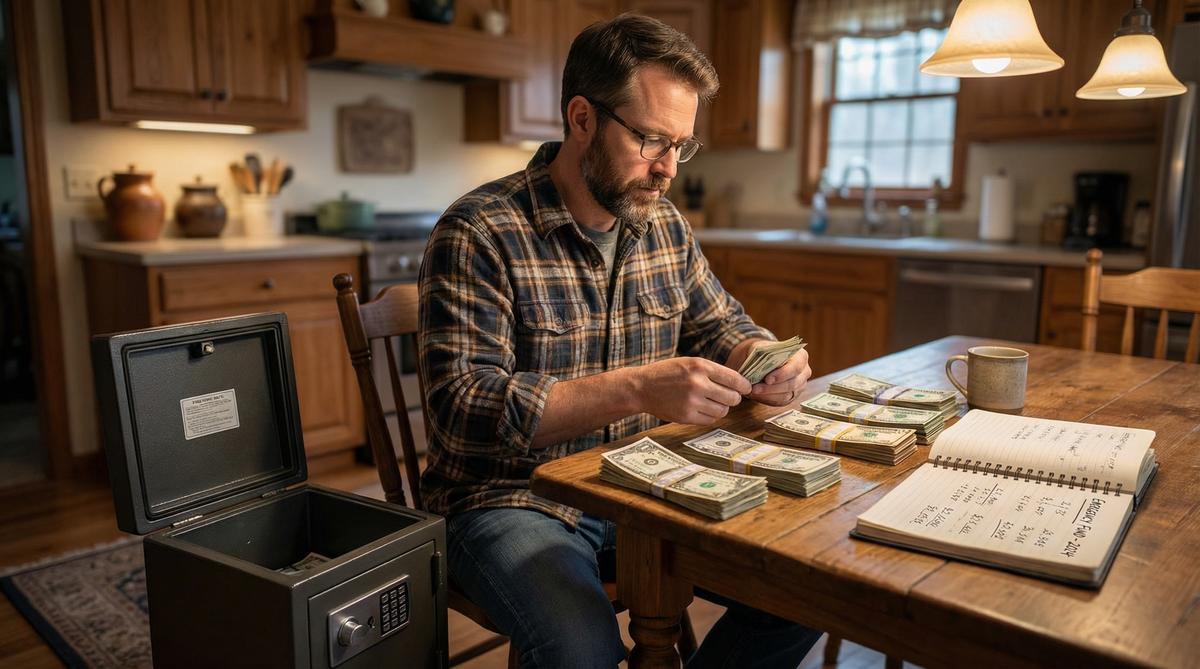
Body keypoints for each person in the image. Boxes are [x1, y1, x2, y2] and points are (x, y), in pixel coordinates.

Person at [418, 13, 820, 668]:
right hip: (512, 498)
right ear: (582, 119)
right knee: (579, 648)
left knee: (803, 588)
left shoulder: (665, 228)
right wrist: (637, 388)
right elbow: (465, 413)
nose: (667, 169)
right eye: (650, 139)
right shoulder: (479, 230)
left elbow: (725, 326)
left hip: (642, 486)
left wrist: (764, 358)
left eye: (680, 145)